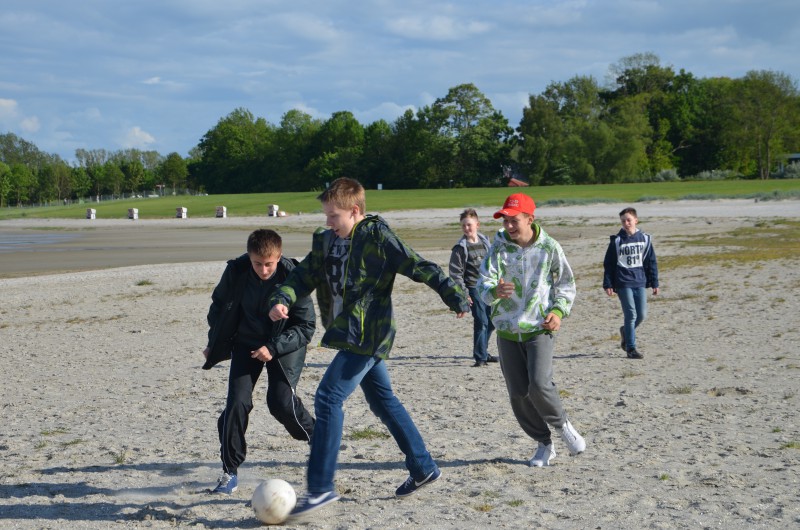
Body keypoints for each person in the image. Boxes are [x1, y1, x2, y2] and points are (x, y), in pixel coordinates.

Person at [268, 177, 469, 518]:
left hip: (369, 332)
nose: (328, 222)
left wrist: (453, 294)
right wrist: (282, 298)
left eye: (334, 216)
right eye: (326, 215)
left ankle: (319, 489)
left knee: (328, 397)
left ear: (355, 211)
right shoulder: (325, 241)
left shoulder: (377, 236)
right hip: (348, 332)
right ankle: (423, 467)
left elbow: (417, 265)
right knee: (382, 400)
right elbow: (302, 276)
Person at [203, 228, 317, 495]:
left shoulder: (294, 277)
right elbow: (218, 308)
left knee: (280, 404)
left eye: (269, 264)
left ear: (278, 257)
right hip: (246, 343)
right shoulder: (237, 271)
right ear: (249, 255)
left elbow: (306, 327)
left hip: (284, 344)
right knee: (236, 403)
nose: (263, 270)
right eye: (257, 263)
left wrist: (274, 347)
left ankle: (318, 437)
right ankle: (229, 471)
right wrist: (213, 342)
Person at [476, 193, 586, 468]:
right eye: (505, 221)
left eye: (514, 221)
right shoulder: (498, 248)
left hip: (539, 328)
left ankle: (563, 426)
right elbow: (482, 284)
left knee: (539, 383)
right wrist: (494, 291)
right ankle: (544, 444)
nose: (509, 226)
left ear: (530, 219)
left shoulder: (549, 247)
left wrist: (558, 312)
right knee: (518, 393)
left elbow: (566, 285)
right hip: (507, 331)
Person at [602, 207, 660, 359]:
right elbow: (609, 263)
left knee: (641, 315)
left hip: (639, 281)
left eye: (628, 220)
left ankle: (625, 332)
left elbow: (651, 262)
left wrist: (655, 283)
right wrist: (608, 284)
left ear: (636, 220)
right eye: (623, 221)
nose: (626, 223)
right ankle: (631, 348)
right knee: (631, 315)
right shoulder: (617, 241)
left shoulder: (645, 239)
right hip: (623, 282)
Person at [449, 208, 497, 367]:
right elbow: (455, 274)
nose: (466, 228)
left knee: (492, 321)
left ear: (477, 224)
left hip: (488, 287)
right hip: (473, 288)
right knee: (481, 321)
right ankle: (480, 358)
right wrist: (464, 293)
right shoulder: (460, 248)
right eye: (463, 226)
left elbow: (492, 264)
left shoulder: (485, 241)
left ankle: (483, 350)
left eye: (469, 225)